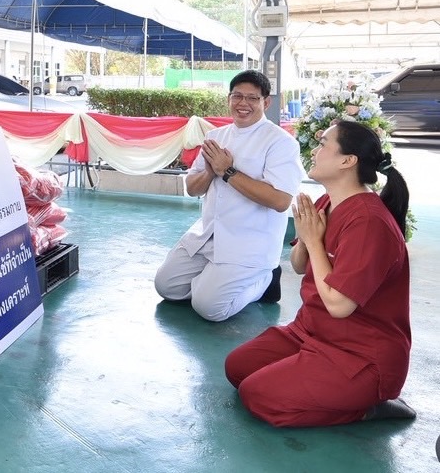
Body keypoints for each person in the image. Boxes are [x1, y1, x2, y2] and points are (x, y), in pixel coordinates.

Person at [224, 120, 413, 427]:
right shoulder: (326, 202)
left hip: (359, 355)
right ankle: (317, 380)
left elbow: (339, 306)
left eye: (324, 143)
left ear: (347, 161)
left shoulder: (369, 222)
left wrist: (313, 241)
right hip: (311, 332)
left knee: (257, 395)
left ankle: (371, 405)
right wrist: (305, 233)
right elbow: (300, 266)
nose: (315, 149)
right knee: (237, 367)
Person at [154, 69, 302, 322]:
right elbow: (192, 188)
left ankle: (265, 279)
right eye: (237, 96)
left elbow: (280, 201)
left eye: (253, 98)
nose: (243, 104)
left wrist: (227, 171)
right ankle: (216, 277)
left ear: (266, 102)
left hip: (249, 240)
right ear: (229, 99)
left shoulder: (280, 142)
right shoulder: (215, 137)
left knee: (209, 308)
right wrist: (211, 171)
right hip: (208, 232)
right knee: (166, 287)